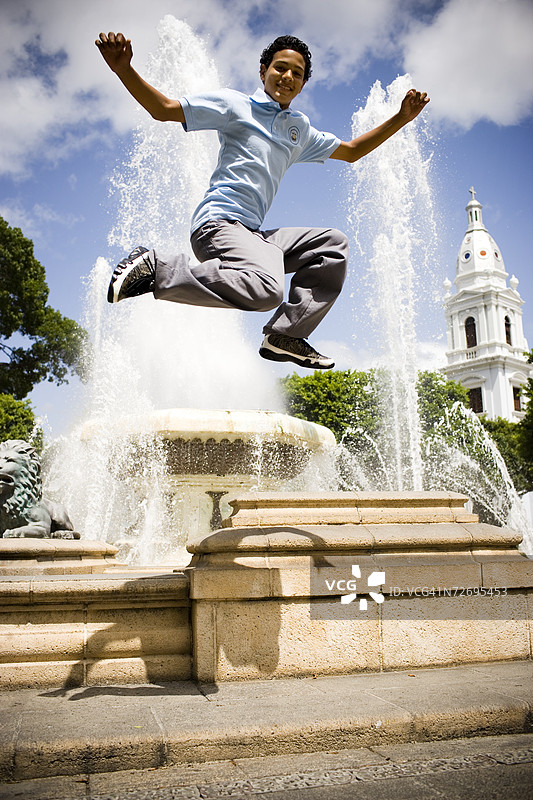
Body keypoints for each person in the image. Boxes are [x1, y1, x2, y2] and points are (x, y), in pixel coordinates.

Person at [95, 31, 429, 369]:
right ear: (263, 71)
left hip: (252, 234)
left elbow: (353, 151)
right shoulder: (235, 105)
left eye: (296, 74)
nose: (287, 77)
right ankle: (158, 269)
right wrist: (123, 69)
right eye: (280, 68)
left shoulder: (298, 129)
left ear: (302, 84)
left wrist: (401, 118)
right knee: (267, 290)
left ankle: (286, 335)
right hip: (218, 224)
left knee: (332, 246)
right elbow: (163, 109)